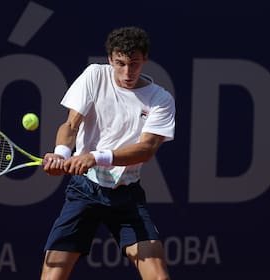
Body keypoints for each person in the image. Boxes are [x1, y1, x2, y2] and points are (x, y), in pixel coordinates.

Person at [41, 26, 175, 280]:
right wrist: (60, 153)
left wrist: (95, 157)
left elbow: (146, 150)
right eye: (120, 63)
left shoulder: (160, 99)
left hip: (127, 196)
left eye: (134, 63)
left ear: (145, 59)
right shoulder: (94, 76)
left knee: (158, 276)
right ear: (111, 59)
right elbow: (70, 126)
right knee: (53, 273)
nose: (127, 72)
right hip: (84, 190)